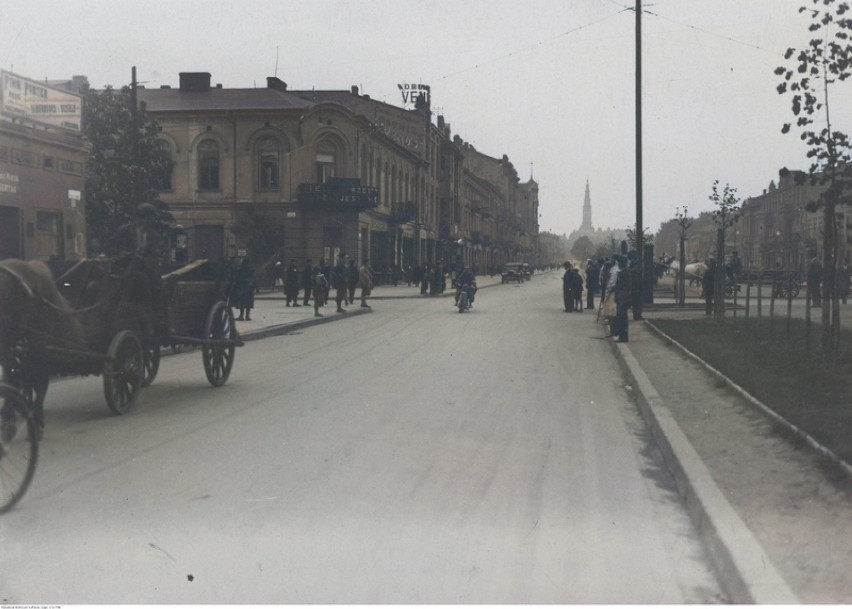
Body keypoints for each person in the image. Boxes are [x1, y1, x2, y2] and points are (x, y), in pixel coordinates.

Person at [612, 255, 631, 341]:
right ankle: (622, 336)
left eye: (619, 263)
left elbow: (623, 287)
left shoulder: (624, 273)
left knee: (622, 318)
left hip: (623, 298)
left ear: (622, 263)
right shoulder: (624, 272)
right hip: (622, 297)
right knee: (621, 317)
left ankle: (623, 337)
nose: (618, 264)